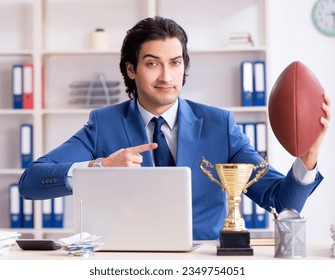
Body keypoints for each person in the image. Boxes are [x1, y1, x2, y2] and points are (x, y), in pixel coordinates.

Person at [18, 16, 331, 240]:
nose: (167, 76)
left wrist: (308, 155)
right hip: (125, 266)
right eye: (153, 63)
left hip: (204, 266)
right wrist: (98, 167)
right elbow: (31, 182)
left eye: (176, 63)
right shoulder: (104, 124)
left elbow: (281, 201)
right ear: (131, 69)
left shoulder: (219, 125)